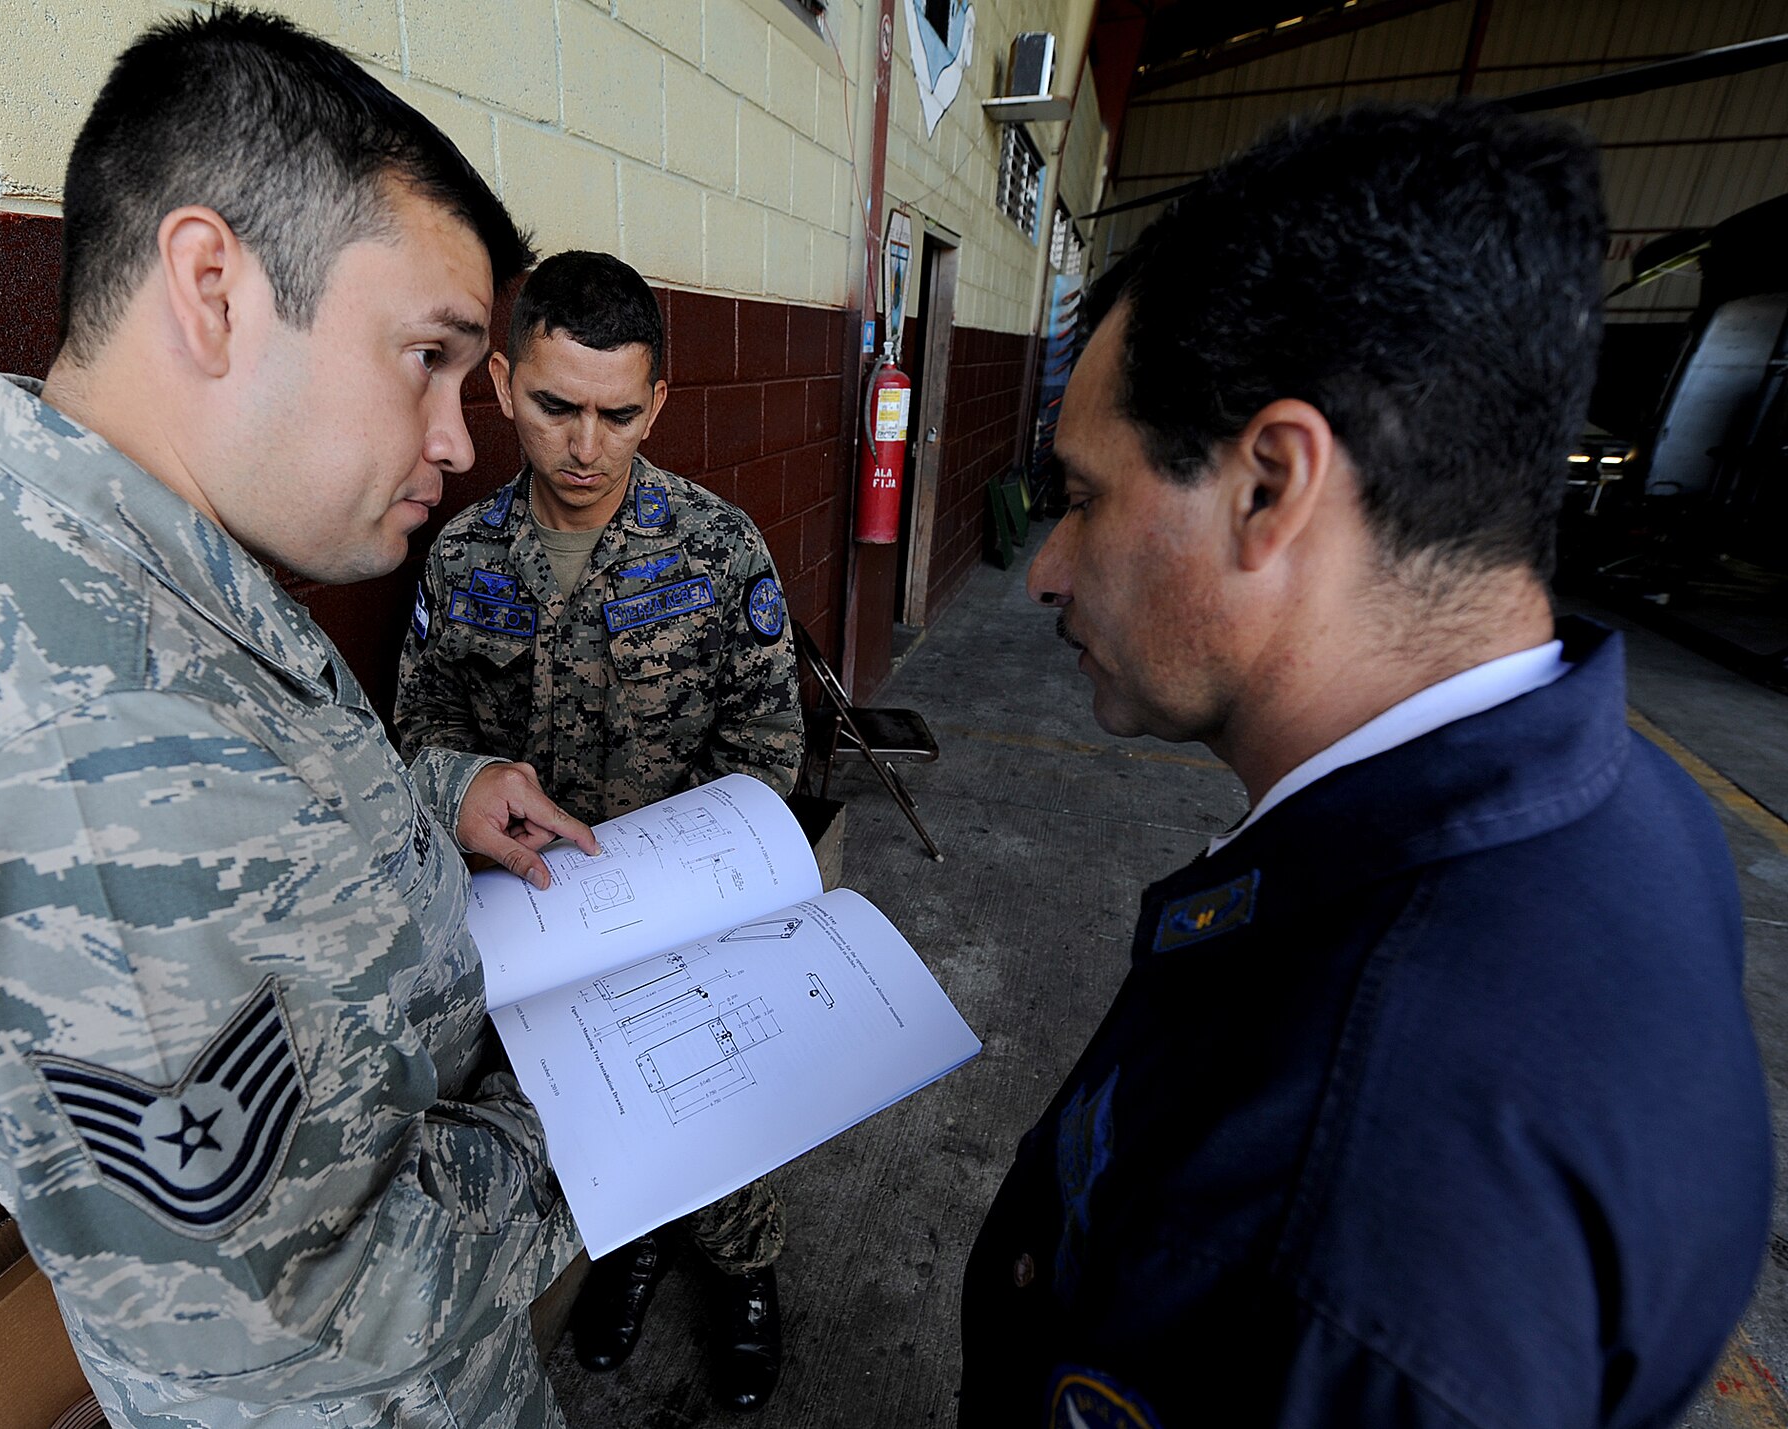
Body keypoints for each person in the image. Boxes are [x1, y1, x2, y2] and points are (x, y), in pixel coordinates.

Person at [0, 13, 603, 1429]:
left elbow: (256, 814)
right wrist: (614, 1112)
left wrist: (433, 797)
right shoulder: (69, 758)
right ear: (212, 284)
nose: (461, 439)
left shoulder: (139, 572)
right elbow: (307, 1317)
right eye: (429, 355)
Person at [962, 100, 1771, 1429]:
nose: (1046, 567)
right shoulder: (1619, 798)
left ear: (1273, 486)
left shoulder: (1366, 1206)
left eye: (1086, 496)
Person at [394, 250, 802, 1411]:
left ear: (657, 402)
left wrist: (687, 876)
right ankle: (626, 1245)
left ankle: (742, 1271)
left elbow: (766, 740)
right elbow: (418, 727)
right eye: (556, 406)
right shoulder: (464, 557)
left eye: (618, 414)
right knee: (595, 1114)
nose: (584, 446)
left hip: (689, 910)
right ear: (505, 385)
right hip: (533, 919)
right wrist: (466, 777)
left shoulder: (717, 550)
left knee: (714, 1102)